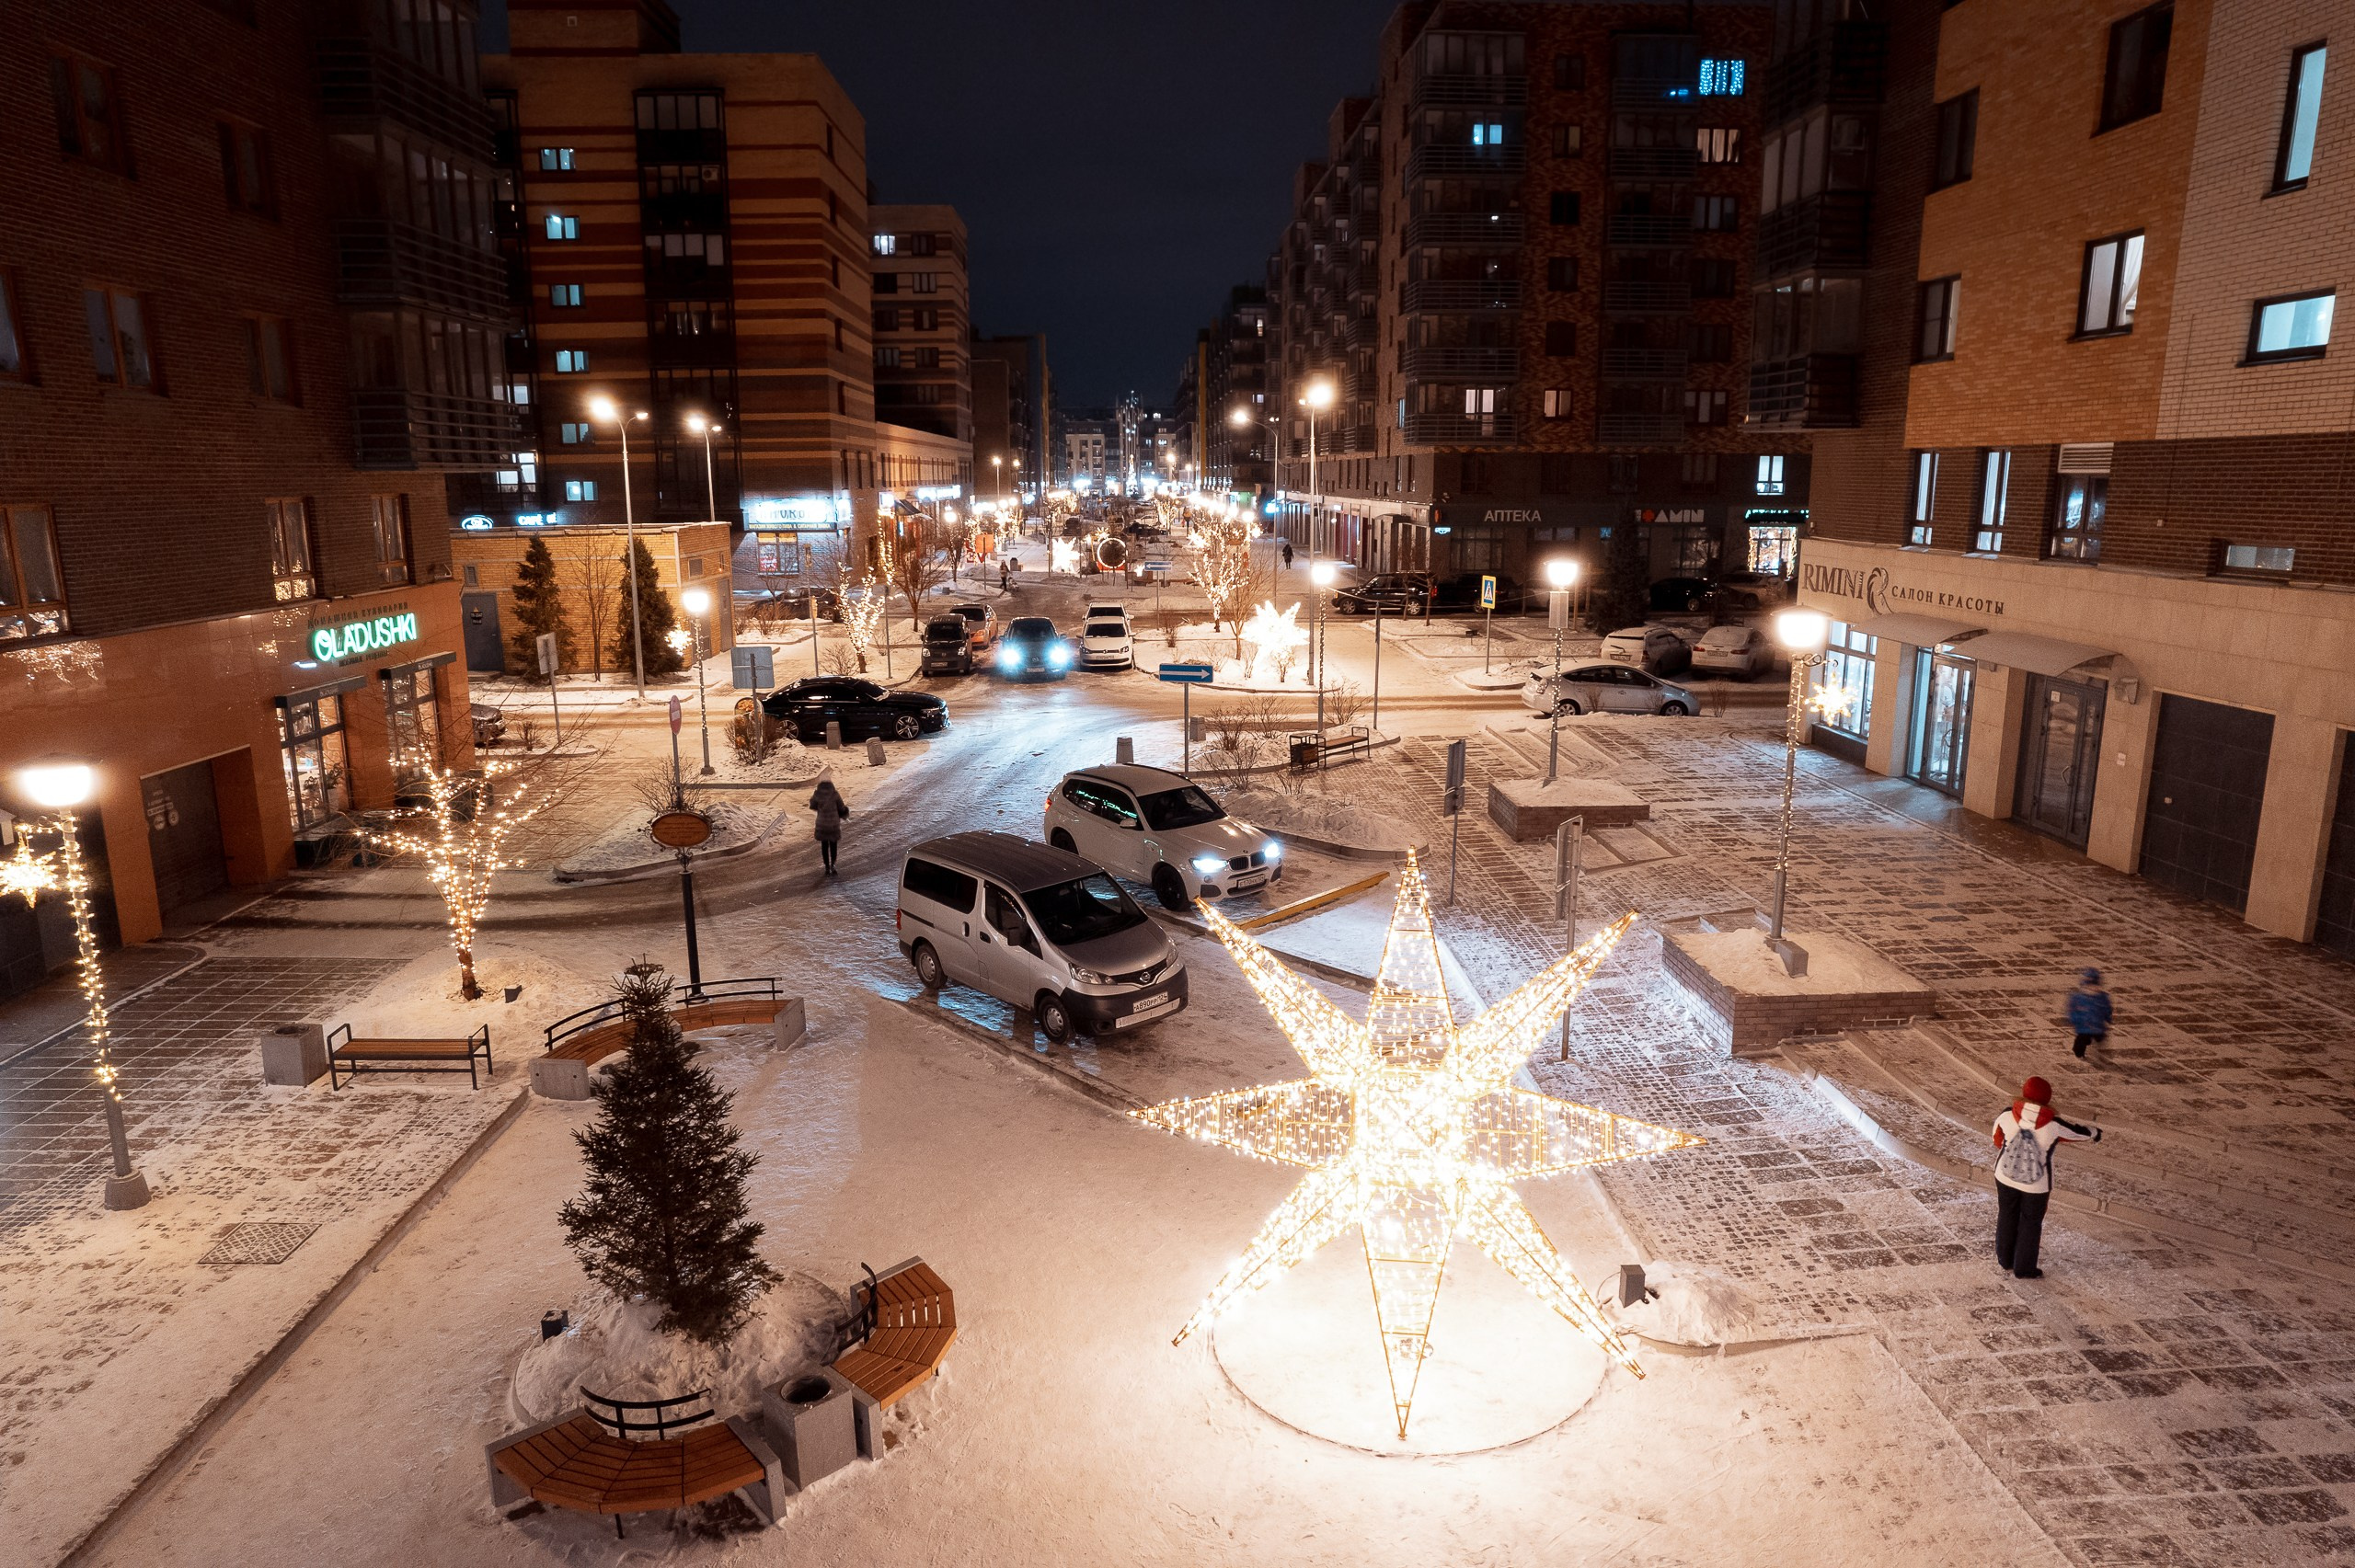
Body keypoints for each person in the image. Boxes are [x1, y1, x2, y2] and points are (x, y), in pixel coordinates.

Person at [1991, 1076, 2101, 1279]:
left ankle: (2005, 1259)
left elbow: (1997, 1139)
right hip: (2036, 1185)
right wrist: (2094, 1133)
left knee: (2006, 1214)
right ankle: (2024, 1269)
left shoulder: (2006, 1115)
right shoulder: (2053, 1125)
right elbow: (2077, 1133)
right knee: (2030, 1223)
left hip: (2005, 1176)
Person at [808, 773, 849, 876]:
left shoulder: (817, 794)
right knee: (833, 845)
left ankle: (826, 866)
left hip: (822, 824)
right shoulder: (834, 794)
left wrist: (820, 808)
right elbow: (841, 807)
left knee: (824, 846)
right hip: (833, 824)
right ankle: (833, 865)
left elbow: (812, 805)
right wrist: (844, 812)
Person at [2067, 968, 2112, 1059]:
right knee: (2082, 1041)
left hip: (2098, 1026)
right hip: (2084, 1027)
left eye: (2094, 985)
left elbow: (2107, 1009)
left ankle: (2097, 1050)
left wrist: (2107, 1018)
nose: (2092, 988)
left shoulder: (2102, 997)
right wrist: (2075, 1020)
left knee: (2100, 1038)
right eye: (2089, 986)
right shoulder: (2078, 998)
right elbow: (2072, 1009)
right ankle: (2079, 1053)